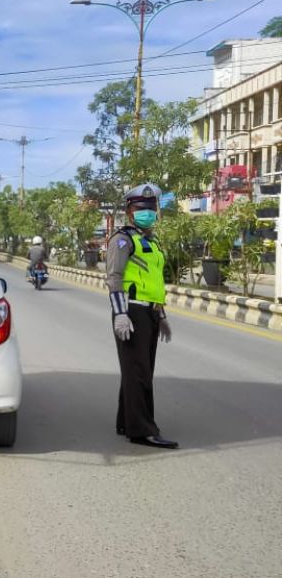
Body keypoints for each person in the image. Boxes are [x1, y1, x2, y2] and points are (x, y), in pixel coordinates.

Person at [106, 183, 177, 449]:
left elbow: (154, 281)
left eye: (150, 208)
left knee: (137, 370)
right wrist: (120, 314)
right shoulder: (122, 239)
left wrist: (161, 314)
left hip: (149, 311)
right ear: (129, 211)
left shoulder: (151, 241)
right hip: (132, 310)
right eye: (140, 209)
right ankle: (143, 430)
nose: (146, 213)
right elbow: (114, 278)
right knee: (139, 372)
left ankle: (127, 421)